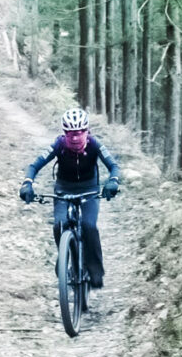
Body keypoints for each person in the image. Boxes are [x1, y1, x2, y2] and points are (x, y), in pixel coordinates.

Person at [18, 108, 121, 288]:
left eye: (79, 133)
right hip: (63, 189)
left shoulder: (95, 144)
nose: (75, 138)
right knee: (60, 224)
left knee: (89, 226)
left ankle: (95, 269)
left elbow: (113, 165)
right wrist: (27, 183)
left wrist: (113, 181)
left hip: (89, 189)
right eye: (71, 134)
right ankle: (64, 256)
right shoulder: (58, 145)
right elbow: (34, 165)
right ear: (64, 133)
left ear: (87, 132)